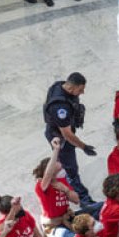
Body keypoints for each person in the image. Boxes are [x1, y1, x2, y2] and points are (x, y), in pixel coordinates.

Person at [43, 72, 95, 206]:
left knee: (64, 163)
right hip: (60, 138)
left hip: (60, 131)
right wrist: (84, 147)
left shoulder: (59, 85)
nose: (82, 93)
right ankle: (84, 200)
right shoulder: (60, 107)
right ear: (72, 88)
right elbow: (67, 134)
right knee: (70, 169)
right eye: (80, 89)